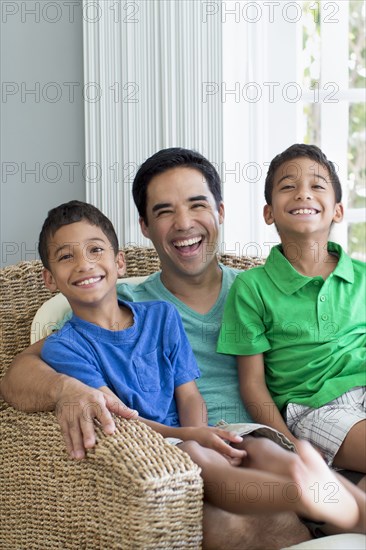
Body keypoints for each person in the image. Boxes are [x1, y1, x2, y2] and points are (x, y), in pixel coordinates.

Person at [0, 147, 362, 547]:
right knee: (226, 522)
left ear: (220, 212)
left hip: (276, 443)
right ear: (145, 225)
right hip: (184, 464)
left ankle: (330, 505)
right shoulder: (125, 305)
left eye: (197, 204)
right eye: (164, 211)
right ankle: (319, 509)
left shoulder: (261, 290)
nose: (184, 223)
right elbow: (20, 372)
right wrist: (65, 389)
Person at [217, 144, 366, 476]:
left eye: (316, 186)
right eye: (288, 186)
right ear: (269, 213)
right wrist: (290, 448)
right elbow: (252, 385)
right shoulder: (251, 287)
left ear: (337, 211)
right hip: (316, 408)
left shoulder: (362, 276)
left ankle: (340, 514)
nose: (303, 194)